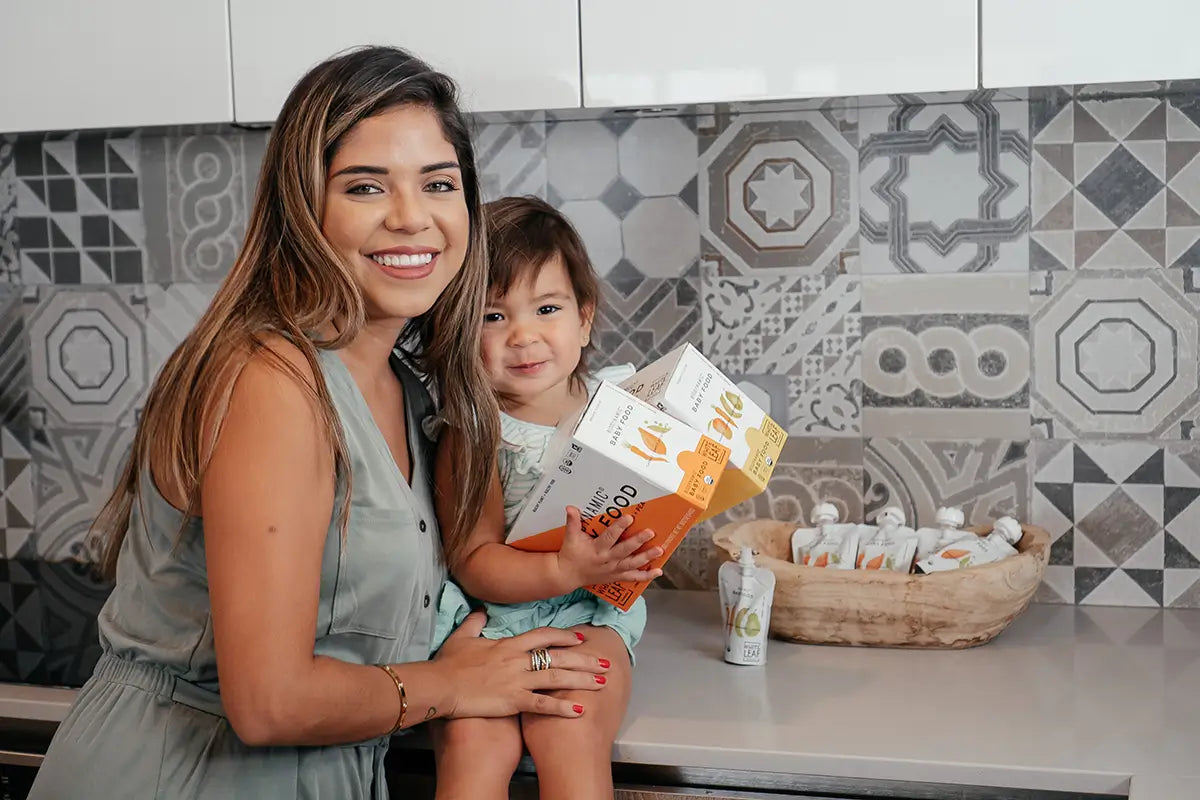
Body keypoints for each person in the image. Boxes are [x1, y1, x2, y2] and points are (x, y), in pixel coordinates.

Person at [27, 47, 614, 800]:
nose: (413, 218)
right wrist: (454, 684)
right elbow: (269, 705)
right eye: (366, 186)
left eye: (439, 183)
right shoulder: (272, 381)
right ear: (303, 207)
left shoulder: (410, 386)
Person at [429, 196, 661, 800]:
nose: (524, 336)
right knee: (474, 746)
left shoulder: (619, 410)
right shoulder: (475, 431)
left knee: (569, 731)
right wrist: (561, 567)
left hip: (589, 616)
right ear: (459, 331)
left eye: (547, 308)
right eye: (492, 317)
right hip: (493, 626)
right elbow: (472, 559)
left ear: (584, 320)